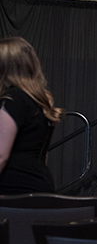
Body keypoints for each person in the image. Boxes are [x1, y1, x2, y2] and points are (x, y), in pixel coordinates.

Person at [0, 37, 61, 194]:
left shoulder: (13, 99)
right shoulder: (42, 100)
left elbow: (1, 155)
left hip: (12, 188)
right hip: (39, 184)